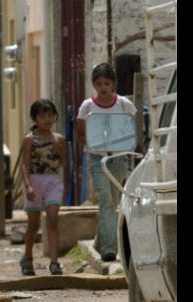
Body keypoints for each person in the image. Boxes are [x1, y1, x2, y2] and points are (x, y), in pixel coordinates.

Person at [76, 62, 137, 262]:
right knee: (105, 201)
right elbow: (81, 133)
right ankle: (110, 249)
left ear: (113, 84)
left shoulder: (124, 104)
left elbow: (133, 127)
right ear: (94, 85)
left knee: (113, 200)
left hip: (118, 157)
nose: (103, 87)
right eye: (99, 83)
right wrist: (95, 146)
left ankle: (99, 241)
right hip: (96, 158)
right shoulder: (87, 106)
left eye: (107, 83)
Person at [20, 99, 69, 276]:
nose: (47, 119)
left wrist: (59, 149)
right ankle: (28, 258)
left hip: (53, 181)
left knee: (53, 220)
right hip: (34, 181)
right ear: (35, 118)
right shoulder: (29, 139)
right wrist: (28, 186)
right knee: (33, 224)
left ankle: (54, 262)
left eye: (50, 115)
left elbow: (63, 163)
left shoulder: (59, 139)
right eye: (42, 116)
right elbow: (24, 165)